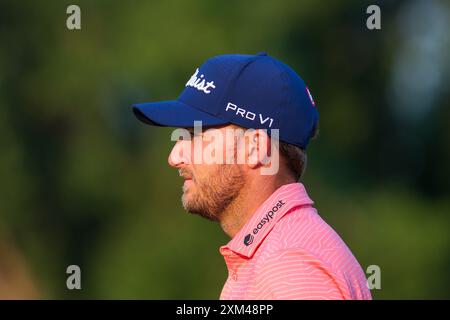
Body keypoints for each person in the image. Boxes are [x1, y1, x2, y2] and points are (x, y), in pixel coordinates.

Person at [132, 52, 372, 300]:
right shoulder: (277, 253)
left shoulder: (290, 266)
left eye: (196, 134)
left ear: (255, 148)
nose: (174, 157)